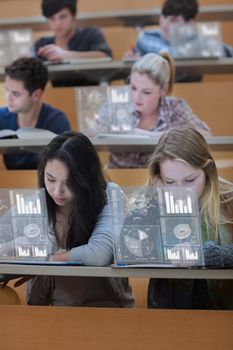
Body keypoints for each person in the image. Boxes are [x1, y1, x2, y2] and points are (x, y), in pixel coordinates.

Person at [25, 131, 134, 307]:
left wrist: (47, 260)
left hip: (105, 307)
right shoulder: (40, 200)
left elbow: (98, 254)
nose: (57, 191)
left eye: (69, 183)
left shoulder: (110, 194)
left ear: (86, 179)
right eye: (51, 179)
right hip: (49, 308)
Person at [147, 127, 233, 309]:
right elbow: (132, 249)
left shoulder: (229, 200)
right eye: (170, 182)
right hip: (168, 310)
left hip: (222, 310)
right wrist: (156, 206)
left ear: (207, 170)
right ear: (159, 177)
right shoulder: (153, 200)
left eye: (190, 180)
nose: (180, 192)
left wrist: (200, 254)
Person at [95, 52, 210, 168]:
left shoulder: (175, 107)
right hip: (117, 178)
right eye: (133, 88)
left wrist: (164, 136)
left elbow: (205, 135)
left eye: (146, 92)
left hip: (159, 181)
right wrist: (105, 131)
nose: (136, 97)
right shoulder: (117, 101)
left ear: (163, 90)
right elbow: (91, 134)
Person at [124, 0, 233, 82]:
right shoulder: (147, 38)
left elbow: (225, 51)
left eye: (174, 20)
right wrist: (132, 63)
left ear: (190, 23)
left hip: (192, 94)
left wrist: (193, 36)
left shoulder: (197, 40)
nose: (165, 24)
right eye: (164, 16)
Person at [0, 57, 71, 170]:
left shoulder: (56, 121)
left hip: (47, 185)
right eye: (7, 90)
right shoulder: (1, 117)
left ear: (36, 95)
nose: (7, 98)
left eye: (16, 94)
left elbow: (64, 169)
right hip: (12, 183)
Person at [35, 0, 112, 62]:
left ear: (73, 16)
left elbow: (105, 56)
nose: (57, 24)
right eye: (52, 18)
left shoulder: (91, 34)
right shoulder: (42, 44)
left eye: (63, 17)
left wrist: (65, 55)